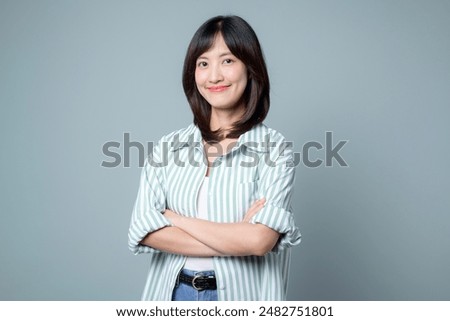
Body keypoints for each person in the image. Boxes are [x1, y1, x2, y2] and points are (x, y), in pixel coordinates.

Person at [128, 15, 301, 301]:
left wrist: (173, 219)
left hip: (242, 298)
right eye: (203, 63)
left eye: (228, 60)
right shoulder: (167, 148)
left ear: (250, 68)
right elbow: (144, 232)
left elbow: (259, 241)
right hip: (173, 294)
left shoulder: (274, 149)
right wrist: (237, 236)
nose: (214, 76)